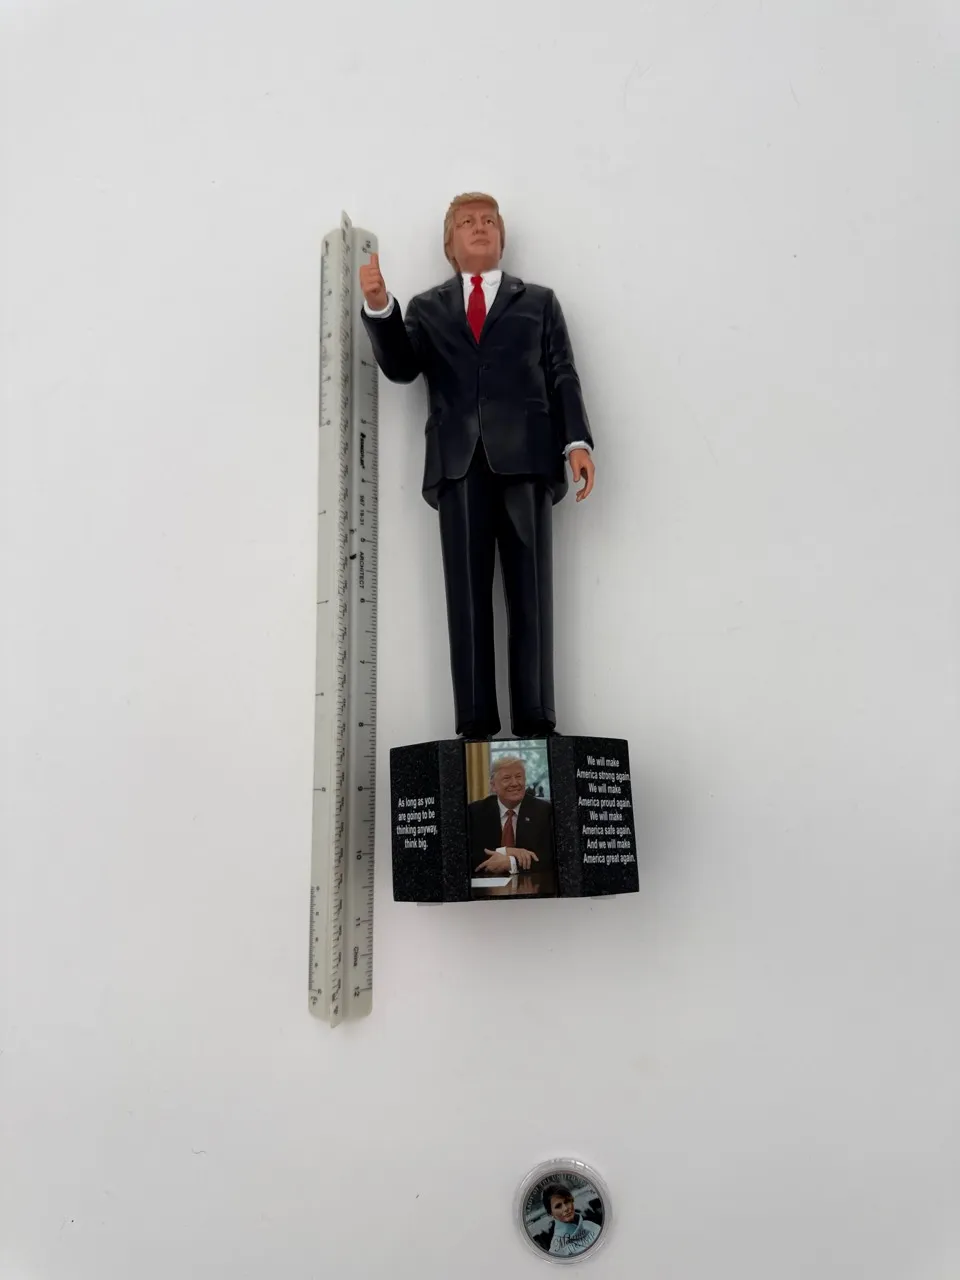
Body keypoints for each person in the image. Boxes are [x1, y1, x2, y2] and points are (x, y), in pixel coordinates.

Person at [359, 193, 596, 739]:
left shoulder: (539, 302)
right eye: (467, 222)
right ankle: (474, 722)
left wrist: (576, 442)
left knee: (531, 590)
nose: (480, 228)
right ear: (450, 243)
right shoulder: (427, 307)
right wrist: (380, 307)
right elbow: (402, 367)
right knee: (465, 595)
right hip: (458, 461)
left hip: (527, 458)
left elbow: (562, 372)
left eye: (489, 221)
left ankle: (536, 717)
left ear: (502, 237)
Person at [467, 756, 553, 875]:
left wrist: (512, 863)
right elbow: (468, 854)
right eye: (506, 778)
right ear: (493, 785)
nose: (515, 783)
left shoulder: (544, 811)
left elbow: (549, 857)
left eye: (519, 777)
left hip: (531, 883)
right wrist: (506, 851)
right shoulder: (475, 812)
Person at [532, 1184, 602, 1258]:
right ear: (550, 1213)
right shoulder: (556, 1250)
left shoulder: (590, 1225)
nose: (565, 1208)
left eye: (567, 1201)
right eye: (558, 1206)